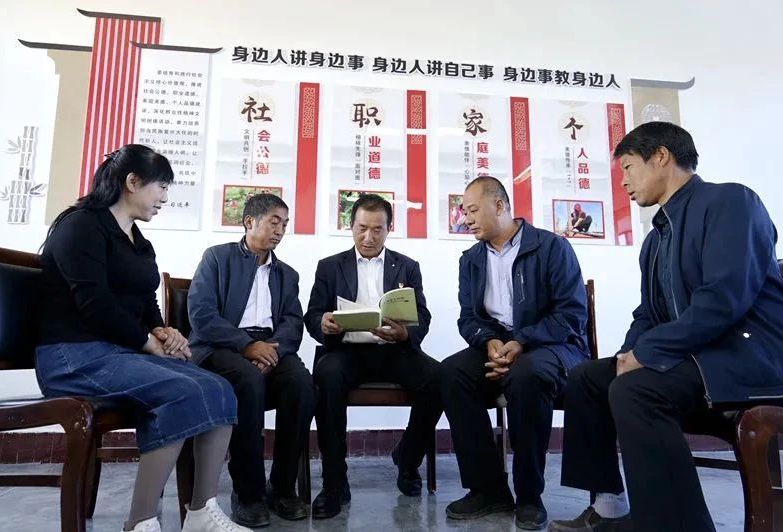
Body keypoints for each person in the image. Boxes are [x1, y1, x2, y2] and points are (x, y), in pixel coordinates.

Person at [549, 122, 783, 532]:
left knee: (636, 390)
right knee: (588, 378)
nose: (623, 181)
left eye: (628, 167)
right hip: (696, 357)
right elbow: (648, 314)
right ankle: (610, 508)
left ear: (660, 156)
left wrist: (647, 354)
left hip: (746, 357)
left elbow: (723, 299)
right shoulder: (655, 238)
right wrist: (626, 356)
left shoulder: (730, 201)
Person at [35, 144, 246, 532]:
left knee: (220, 389)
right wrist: (148, 343)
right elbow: (94, 304)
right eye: (161, 186)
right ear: (132, 182)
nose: (165, 197)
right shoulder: (81, 226)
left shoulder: (138, 240)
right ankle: (141, 522)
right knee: (181, 392)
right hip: (73, 356)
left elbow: (145, 301)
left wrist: (163, 331)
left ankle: (201, 513)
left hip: (117, 353)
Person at [440, 176, 589, 530]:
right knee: (450, 373)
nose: (466, 219)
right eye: (464, 212)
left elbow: (570, 314)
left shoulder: (552, 247)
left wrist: (521, 342)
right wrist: (488, 342)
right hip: (500, 343)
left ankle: (529, 495)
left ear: (500, 206)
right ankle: (488, 488)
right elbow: (468, 318)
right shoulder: (471, 259)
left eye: (472, 210)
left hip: (552, 345)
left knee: (527, 375)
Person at [305, 194, 443, 519]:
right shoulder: (329, 266)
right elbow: (312, 315)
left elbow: (422, 316)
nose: (368, 237)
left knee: (440, 379)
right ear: (350, 226)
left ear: (388, 229)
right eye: (362, 228)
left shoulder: (407, 266)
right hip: (345, 351)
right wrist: (323, 323)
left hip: (393, 350)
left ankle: (407, 458)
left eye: (377, 230)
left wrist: (405, 333)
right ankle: (334, 482)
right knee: (326, 377)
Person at [188, 193, 315, 527]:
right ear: (249, 221)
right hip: (222, 347)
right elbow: (201, 315)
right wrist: (246, 346)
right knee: (248, 380)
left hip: (270, 346)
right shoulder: (217, 258)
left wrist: (271, 351)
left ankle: (282, 488)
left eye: (284, 224)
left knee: (301, 384)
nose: (280, 230)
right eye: (274, 222)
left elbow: (293, 322)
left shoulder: (287, 274)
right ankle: (248, 494)